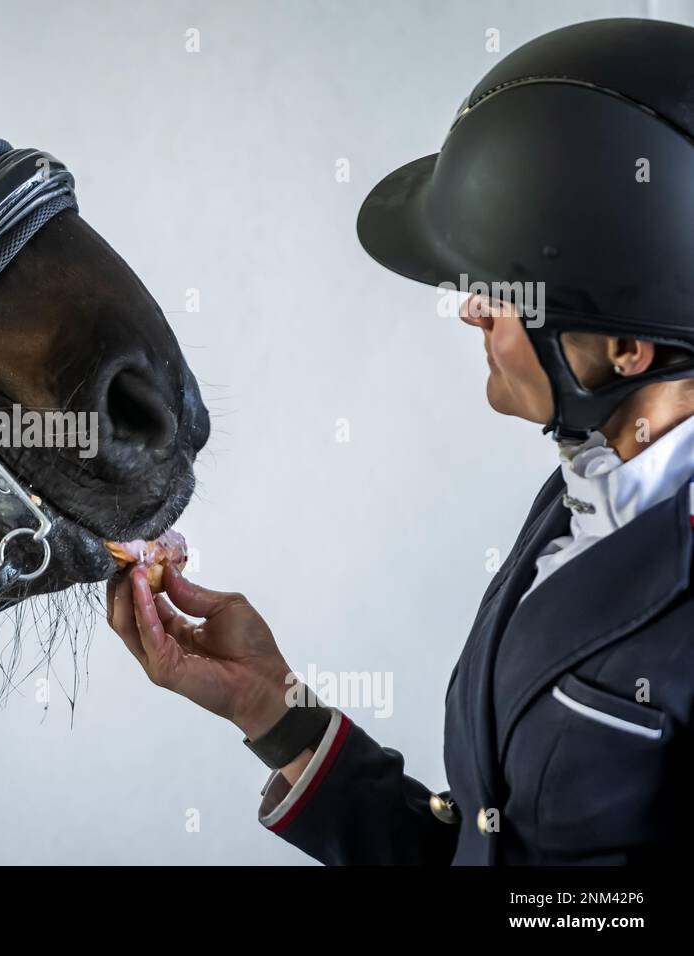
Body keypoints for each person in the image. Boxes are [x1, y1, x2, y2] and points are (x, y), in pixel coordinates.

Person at [106, 17, 694, 864]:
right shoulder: (582, 495)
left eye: (498, 289)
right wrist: (271, 705)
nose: (467, 307)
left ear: (625, 349)